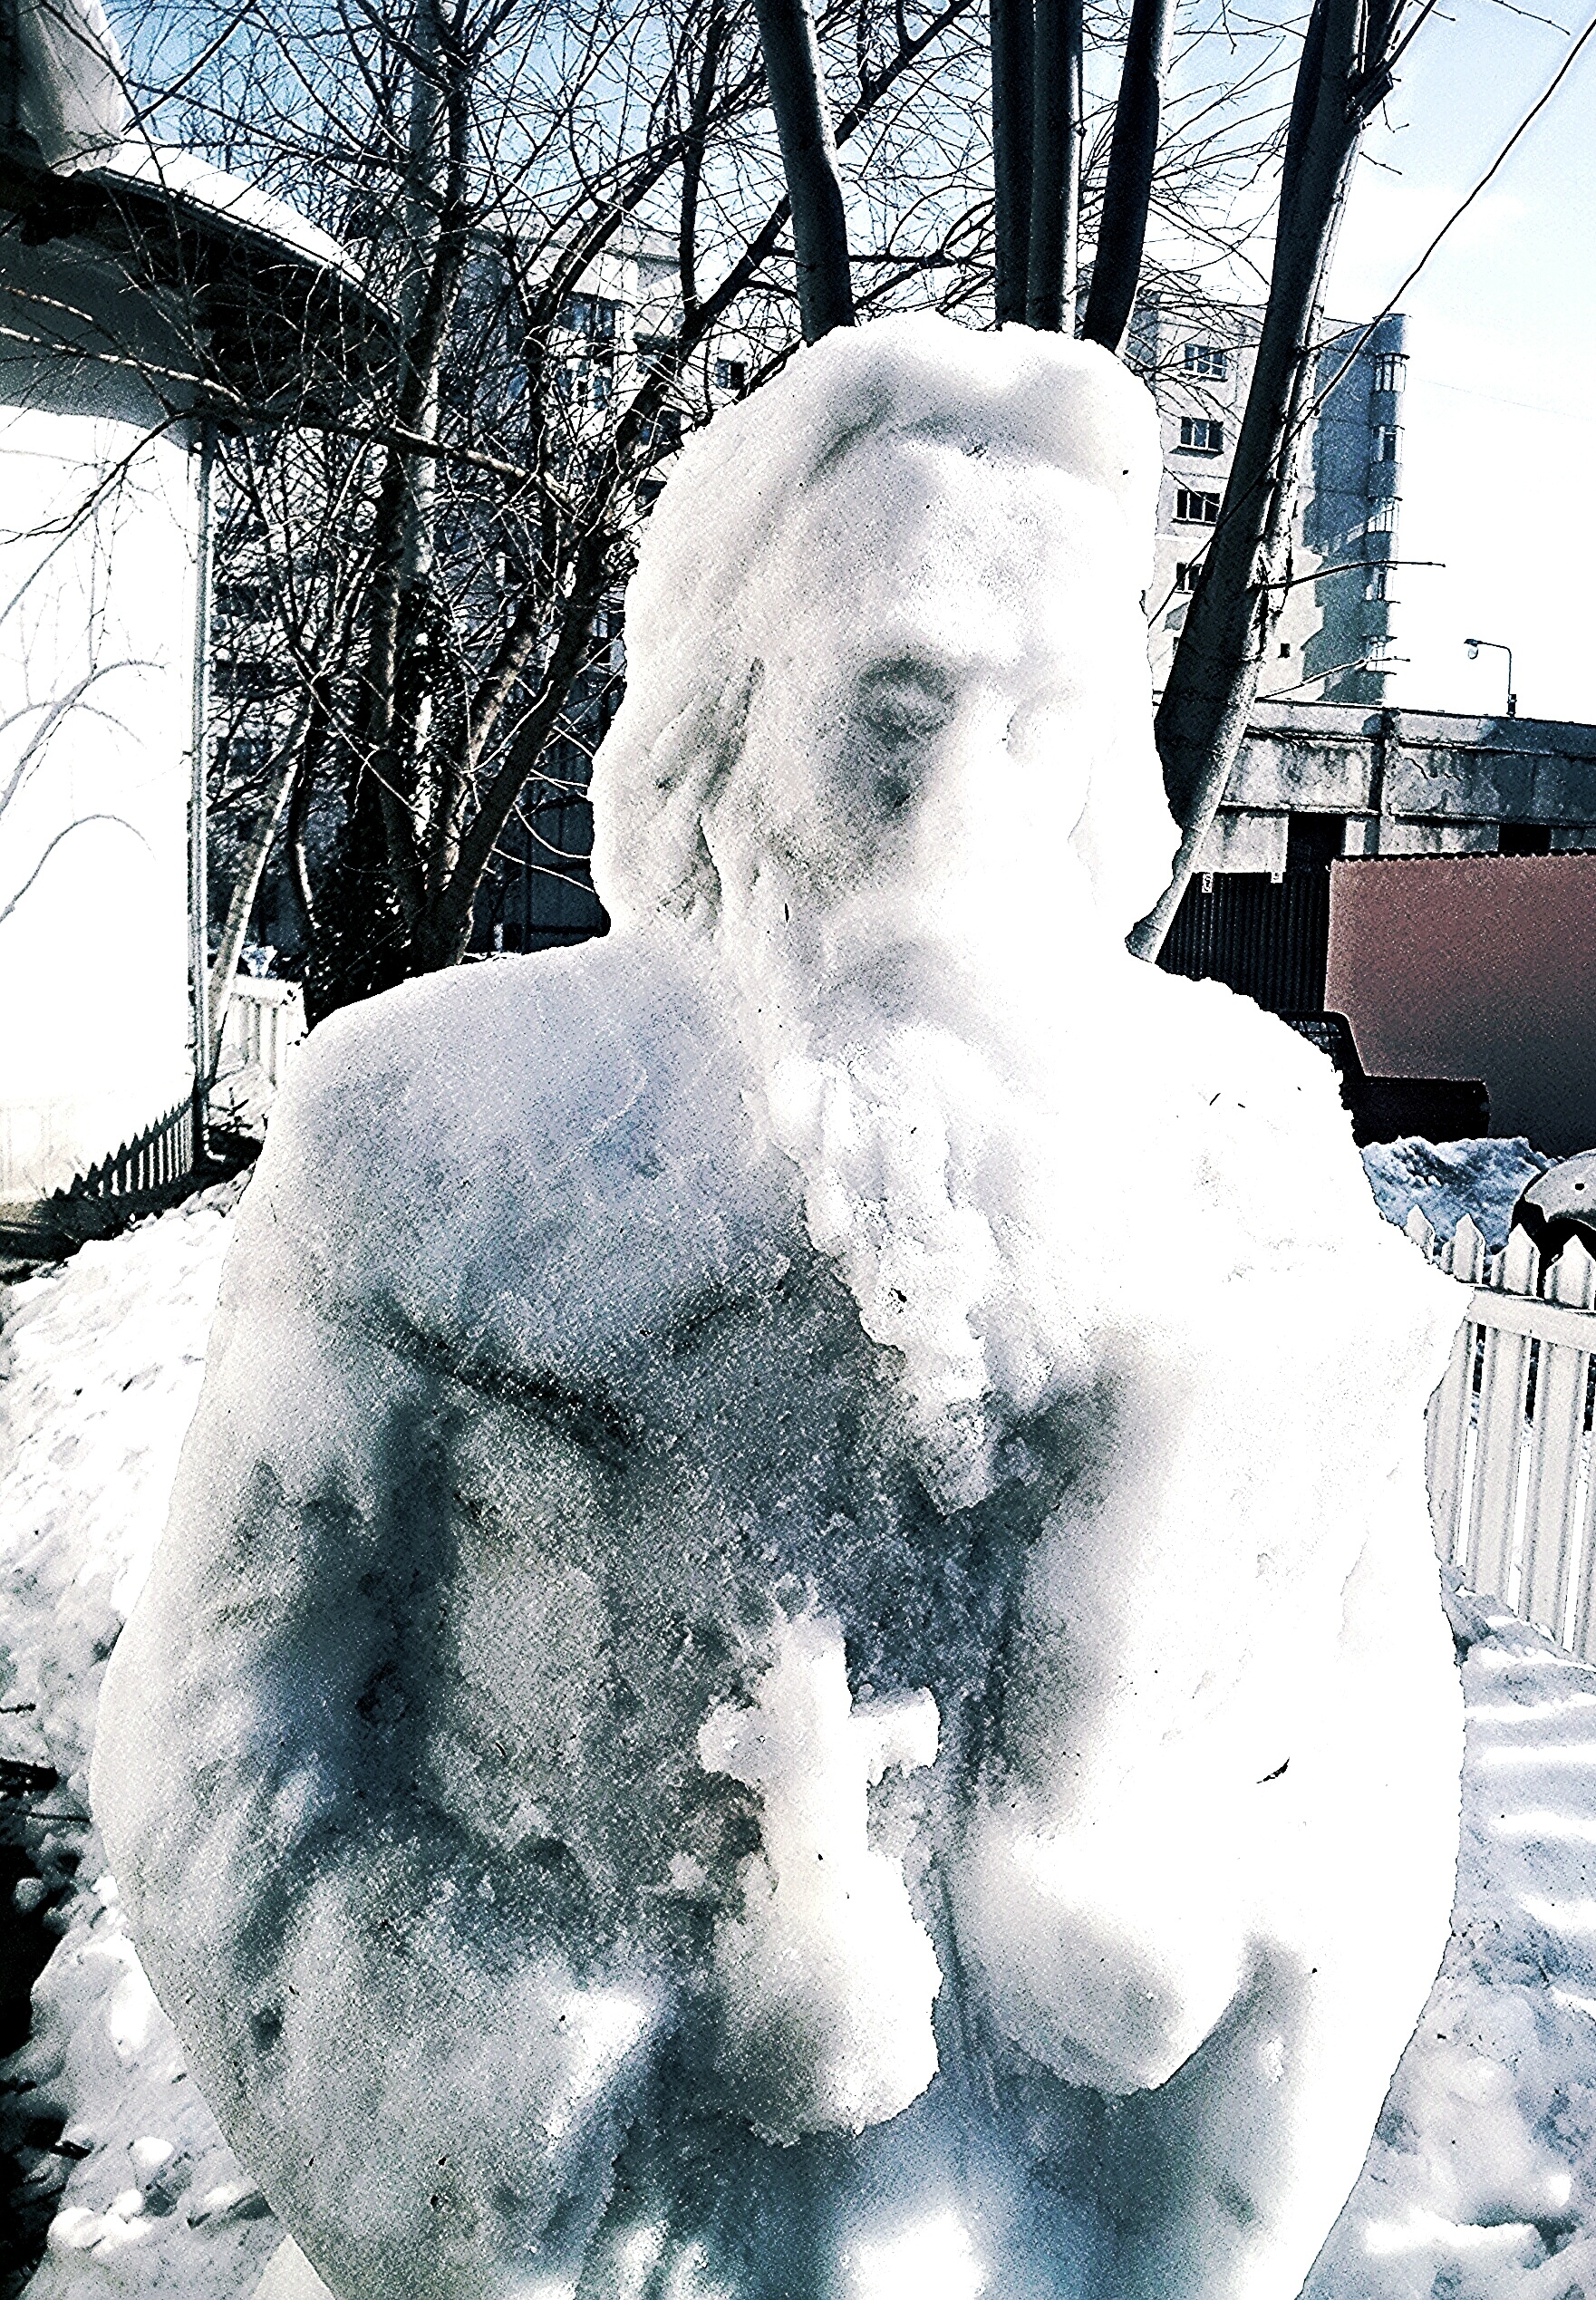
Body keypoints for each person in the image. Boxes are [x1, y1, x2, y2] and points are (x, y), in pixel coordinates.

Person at [93, 311, 1464, 2300]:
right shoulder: (432, 1140)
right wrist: (588, 2076)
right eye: (898, 699)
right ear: (738, 692)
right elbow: (216, 1751)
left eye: (1043, 711)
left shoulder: (1246, 1157)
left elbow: (1379, 1735)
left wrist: (1194, 1971)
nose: (965, 797)